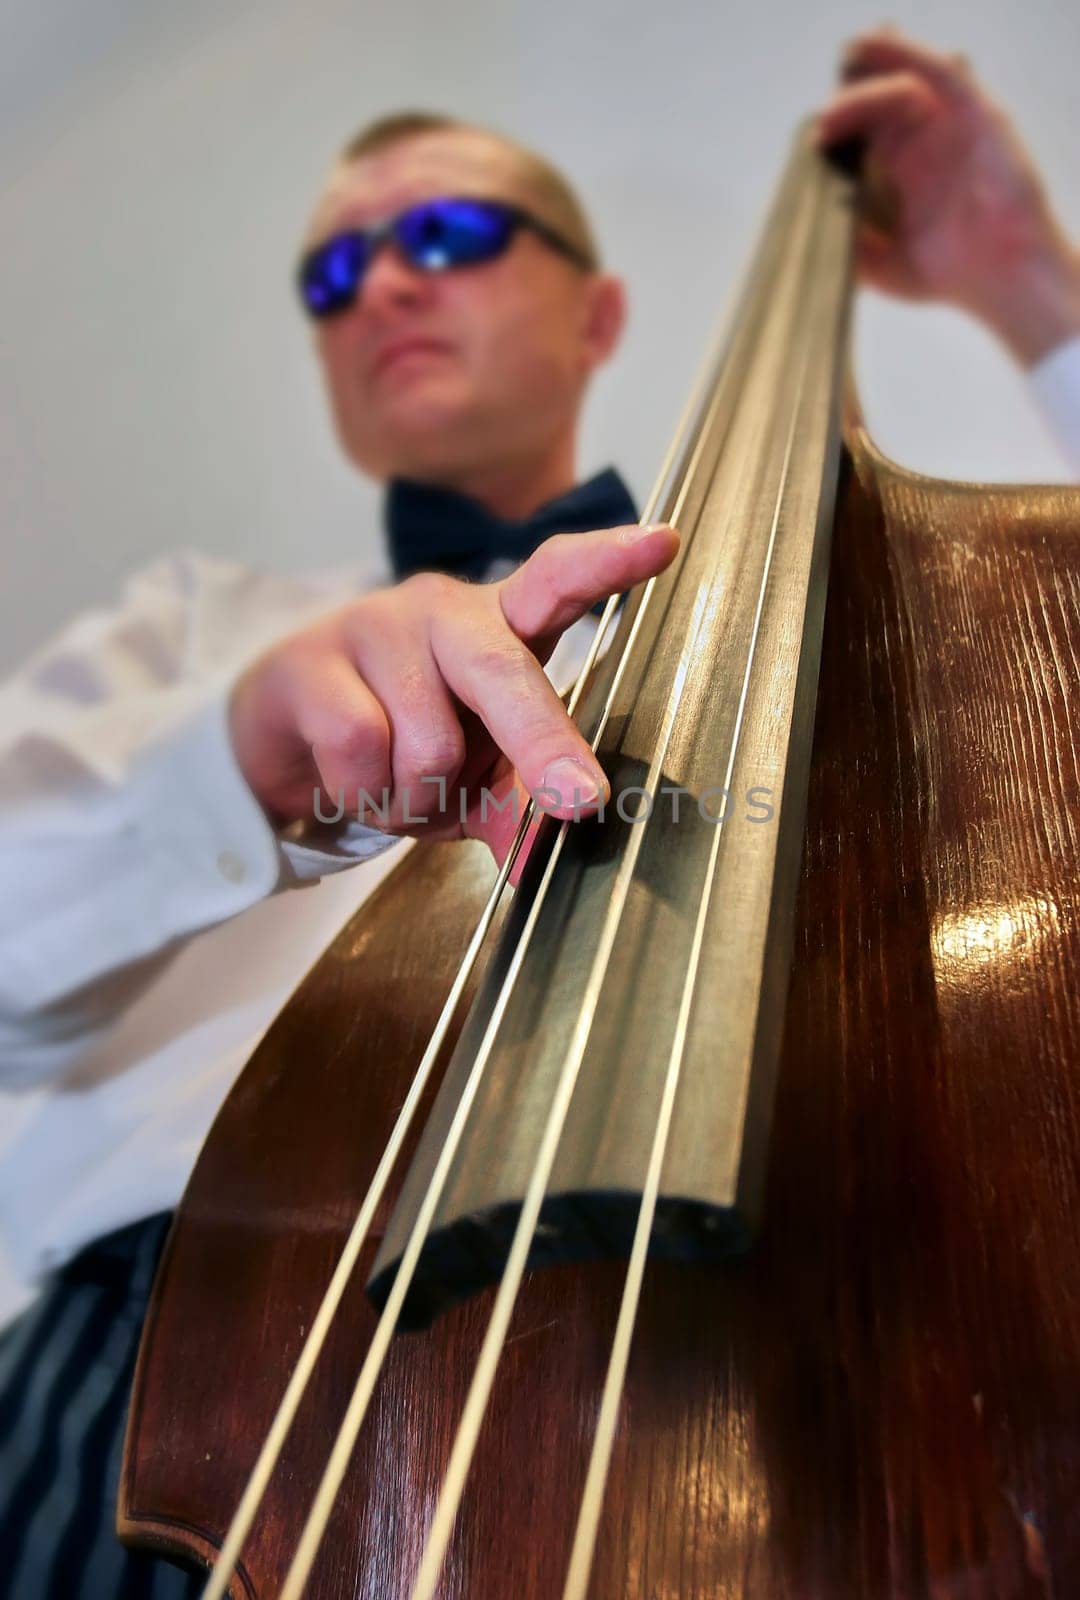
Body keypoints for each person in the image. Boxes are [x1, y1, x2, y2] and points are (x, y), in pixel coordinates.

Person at [1, 24, 1077, 1598]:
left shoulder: (878, 611)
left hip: (802, 1369)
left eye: (444, 233)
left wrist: (1032, 293)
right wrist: (241, 755)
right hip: (171, 1394)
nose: (381, 284)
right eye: (332, 275)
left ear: (597, 313)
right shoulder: (189, 623)